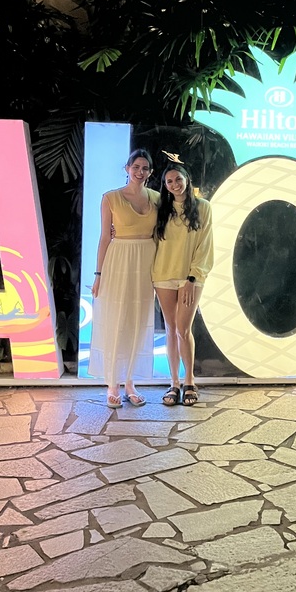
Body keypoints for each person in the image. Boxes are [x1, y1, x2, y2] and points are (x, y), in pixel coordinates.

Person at [88, 149, 160, 408]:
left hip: (147, 260)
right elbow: (104, 237)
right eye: (136, 167)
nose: (140, 172)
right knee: (116, 320)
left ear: (150, 172)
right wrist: (98, 274)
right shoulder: (110, 198)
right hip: (118, 260)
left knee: (137, 322)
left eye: (145, 168)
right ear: (127, 168)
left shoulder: (157, 198)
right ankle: (112, 383)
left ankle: (130, 382)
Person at [152, 163, 214, 407]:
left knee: (183, 329)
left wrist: (192, 278)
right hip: (162, 275)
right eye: (169, 181)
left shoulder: (203, 207)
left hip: (190, 278)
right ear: (165, 186)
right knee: (170, 329)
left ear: (187, 179)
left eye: (178, 179)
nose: (174, 185)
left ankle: (190, 381)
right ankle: (174, 383)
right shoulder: (161, 209)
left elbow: (205, 245)